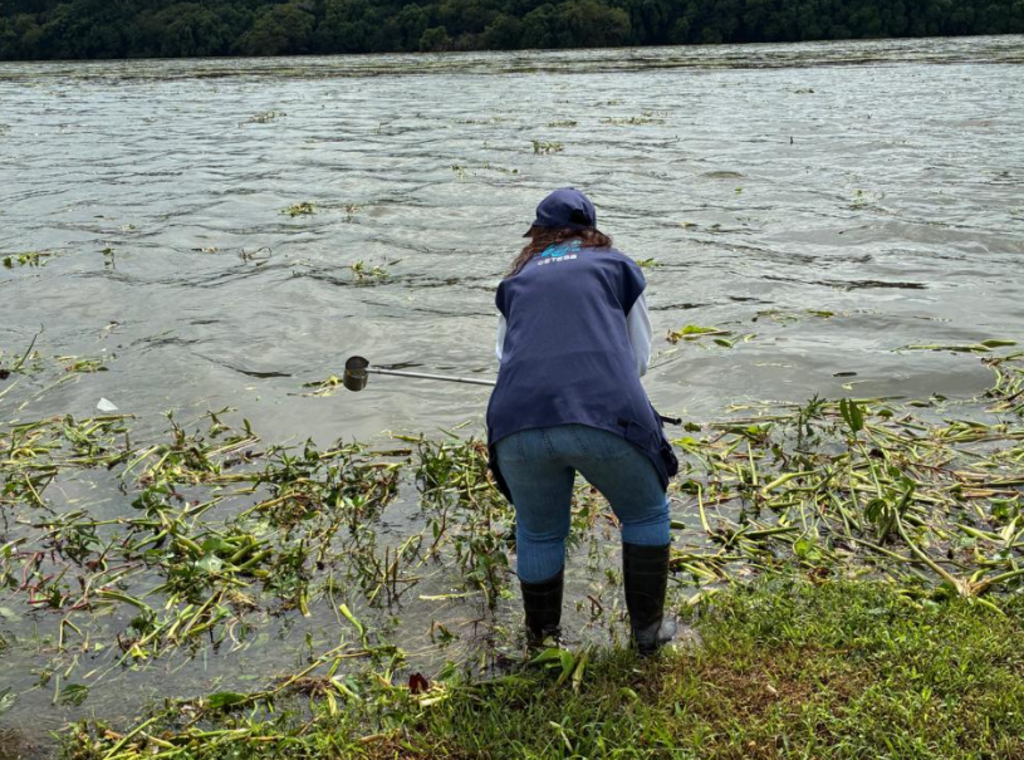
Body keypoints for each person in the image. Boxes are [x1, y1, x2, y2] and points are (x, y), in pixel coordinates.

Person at [486, 187, 679, 656]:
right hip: (604, 411)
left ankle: (544, 644)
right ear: (591, 231)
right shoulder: (617, 266)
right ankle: (648, 637)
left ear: (537, 235)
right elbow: (638, 360)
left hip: (515, 419)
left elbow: (503, 357)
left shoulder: (518, 280)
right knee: (646, 512)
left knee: (539, 531)